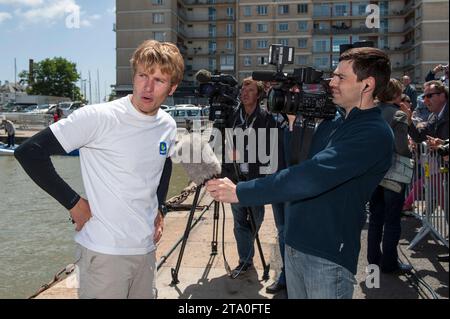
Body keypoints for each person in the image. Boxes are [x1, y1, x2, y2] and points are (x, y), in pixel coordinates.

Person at [206, 47, 394, 299]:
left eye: (341, 77)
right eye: (333, 76)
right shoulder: (334, 122)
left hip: (327, 257)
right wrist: (295, 122)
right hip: (295, 246)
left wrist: (240, 192)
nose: (332, 83)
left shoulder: (373, 133)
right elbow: (297, 163)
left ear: (367, 85)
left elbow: (310, 177)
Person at [14, 40, 184, 299]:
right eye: (142, 76)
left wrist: (159, 207)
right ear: (134, 76)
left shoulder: (167, 125)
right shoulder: (99, 117)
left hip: (145, 250)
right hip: (104, 253)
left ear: (172, 88)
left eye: (159, 80)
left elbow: (164, 163)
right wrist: (74, 203)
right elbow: (29, 152)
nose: (147, 87)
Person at [221, 77, 278, 278]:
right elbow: (223, 145)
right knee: (239, 223)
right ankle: (245, 261)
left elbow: (271, 152)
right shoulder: (232, 117)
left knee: (255, 220)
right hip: (235, 181)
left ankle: (246, 248)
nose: (244, 92)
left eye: (250, 89)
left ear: (259, 94)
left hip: (256, 182)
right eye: (243, 88)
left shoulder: (267, 119)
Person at [367, 78, 412, 273]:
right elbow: (401, 147)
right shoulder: (399, 114)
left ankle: (373, 259)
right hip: (393, 174)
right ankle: (390, 263)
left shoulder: (370, 112)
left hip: (373, 173)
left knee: (376, 218)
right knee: (392, 220)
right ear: (395, 94)